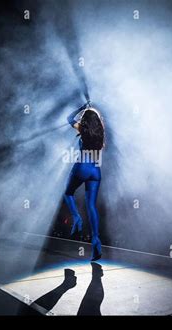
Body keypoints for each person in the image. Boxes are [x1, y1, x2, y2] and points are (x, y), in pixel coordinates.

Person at [64, 102, 105, 261]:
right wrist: (92, 111)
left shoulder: (82, 129)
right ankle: (96, 240)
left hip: (82, 166)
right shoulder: (101, 131)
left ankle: (76, 218)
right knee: (91, 206)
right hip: (96, 170)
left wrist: (82, 108)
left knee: (68, 193)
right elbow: (98, 119)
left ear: (85, 120)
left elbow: (69, 118)